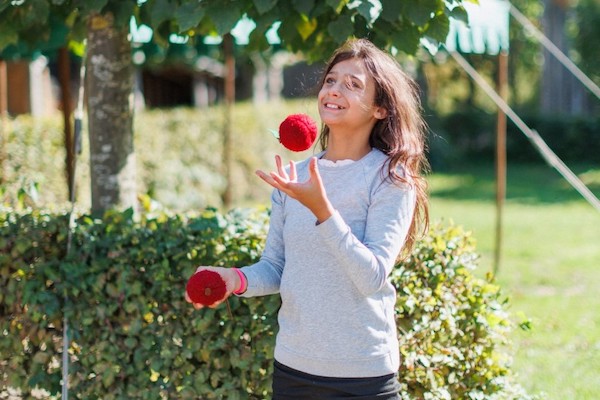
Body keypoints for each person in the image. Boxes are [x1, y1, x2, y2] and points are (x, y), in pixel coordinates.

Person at [185, 38, 429, 399]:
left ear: (379, 108)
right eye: (331, 80)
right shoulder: (294, 177)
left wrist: (322, 210)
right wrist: (232, 279)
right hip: (294, 368)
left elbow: (372, 276)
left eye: (353, 84)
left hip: (362, 375)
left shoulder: (390, 179)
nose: (334, 90)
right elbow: (276, 267)